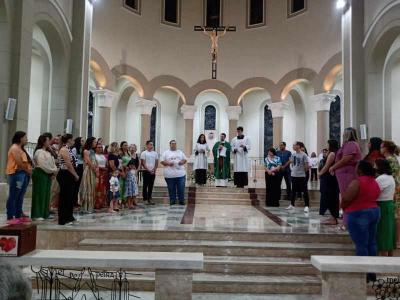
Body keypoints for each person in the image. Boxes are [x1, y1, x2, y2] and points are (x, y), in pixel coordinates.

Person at [341, 160, 380, 277]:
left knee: (361, 244)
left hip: (359, 213)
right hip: (374, 211)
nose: (355, 169)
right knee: (372, 243)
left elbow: (347, 198)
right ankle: (372, 273)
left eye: (357, 167)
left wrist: (342, 206)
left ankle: (363, 274)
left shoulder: (357, 182)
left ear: (360, 170)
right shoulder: (375, 182)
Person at [5, 131, 33, 225]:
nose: (27, 139)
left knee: (20, 195)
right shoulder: (14, 148)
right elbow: (19, 162)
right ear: (20, 138)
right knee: (14, 194)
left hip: (23, 173)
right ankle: (10, 216)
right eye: (25, 137)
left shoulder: (21, 149)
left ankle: (18, 214)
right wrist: (27, 170)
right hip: (17, 174)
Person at [31, 135, 58, 221]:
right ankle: (37, 214)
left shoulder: (47, 152)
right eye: (47, 140)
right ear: (43, 142)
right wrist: (52, 170)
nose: (49, 142)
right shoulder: (39, 152)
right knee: (40, 194)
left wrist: (54, 170)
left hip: (47, 174)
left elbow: (52, 162)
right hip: (40, 173)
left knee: (46, 194)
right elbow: (42, 164)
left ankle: (45, 213)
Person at [374, 158, 396, 256]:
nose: (374, 167)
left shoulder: (382, 178)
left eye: (375, 165)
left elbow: (374, 192)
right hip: (389, 205)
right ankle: (390, 257)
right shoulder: (390, 177)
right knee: (389, 233)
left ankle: (384, 259)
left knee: (382, 233)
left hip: (382, 205)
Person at [380, 140, 400, 246]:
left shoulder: (389, 160)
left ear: (386, 148)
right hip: (396, 188)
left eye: (381, 147)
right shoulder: (393, 158)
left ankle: (397, 240)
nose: (380, 149)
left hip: (394, 190)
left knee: (396, 216)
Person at [57, 134, 79, 225]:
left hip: (69, 174)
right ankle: (63, 218)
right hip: (65, 173)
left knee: (70, 196)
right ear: (69, 140)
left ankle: (69, 216)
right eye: (72, 139)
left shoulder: (69, 149)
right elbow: (68, 164)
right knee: (64, 196)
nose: (73, 141)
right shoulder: (64, 149)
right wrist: (75, 174)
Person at [318, 140, 340, 225]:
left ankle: (334, 218)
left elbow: (327, 166)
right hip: (327, 178)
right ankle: (332, 217)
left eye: (327, 144)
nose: (326, 145)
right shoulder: (330, 153)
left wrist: (320, 173)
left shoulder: (332, 154)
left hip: (329, 179)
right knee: (328, 197)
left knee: (330, 197)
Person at [161, 140, 187, 205]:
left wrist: (182, 162)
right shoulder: (166, 152)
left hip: (180, 174)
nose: (174, 145)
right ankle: (172, 200)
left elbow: (185, 159)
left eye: (175, 144)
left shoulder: (180, 152)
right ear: (170, 145)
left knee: (181, 188)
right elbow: (162, 161)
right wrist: (168, 163)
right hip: (169, 175)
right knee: (171, 188)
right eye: (172, 144)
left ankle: (181, 200)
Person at [287, 141, 310, 213]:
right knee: (293, 191)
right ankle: (292, 204)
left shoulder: (304, 155)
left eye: (294, 145)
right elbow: (292, 163)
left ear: (298, 146)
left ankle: (306, 206)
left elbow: (306, 166)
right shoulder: (293, 154)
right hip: (294, 175)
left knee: (304, 191)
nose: (293, 147)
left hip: (301, 176)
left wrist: (303, 172)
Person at [79, 137, 98, 214]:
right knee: (87, 188)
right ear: (90, 142)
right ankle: (85, 208)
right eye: (94, 142)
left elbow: (94, 160)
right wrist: (94, 168)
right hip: (88, 171)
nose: (95, 143)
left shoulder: (92, 151)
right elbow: (88, 161)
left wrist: (96, 168)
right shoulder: (86, 151)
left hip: (93, 171)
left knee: (92, 188)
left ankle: (90, 207)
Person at [141, 141, 158, 205]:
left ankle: (150, 198)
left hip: (153, 171)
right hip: (146, 171)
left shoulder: (155, 153)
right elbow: (143, 163)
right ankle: (145, 199)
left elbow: (156, 162)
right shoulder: (144, 153)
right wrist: (148, 170)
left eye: (152, 144)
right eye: (150, 144)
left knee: (151, 185)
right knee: (145, 185)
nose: (152, 146)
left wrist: (154, 169)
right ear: (147, 145)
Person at [71, 137, 84, 207]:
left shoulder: (82, 149)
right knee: (75, 185)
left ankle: (76, 201)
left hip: (82, 167)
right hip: (77, 167)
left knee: (78, 186)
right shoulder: (74, 149)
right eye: (82, 141)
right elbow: (73, 159)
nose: (83, 142)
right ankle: (73, 201)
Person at [95, 142, 108, 209]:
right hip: (98, 173)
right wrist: (102, 168)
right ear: (95, 148)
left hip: (104, 173)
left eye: (101, 147)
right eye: (98, 147)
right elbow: (95, 165)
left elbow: (106, 164)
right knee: (98, 188)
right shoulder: (94, 155)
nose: (100, 149)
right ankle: (97, 203)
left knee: (103, 188)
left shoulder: (103, 156)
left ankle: (102, 203)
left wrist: (106, 168)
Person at [119, 141, 131, 205]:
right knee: (121, 185)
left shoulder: (128, 153)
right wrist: (124, 167)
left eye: (127, 145)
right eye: (125, 145)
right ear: (122, 146)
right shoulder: (120, 153)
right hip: (122, 171)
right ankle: (120, 201)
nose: (126, 146)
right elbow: (120, 162)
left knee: (126, 186)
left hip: (128, 171)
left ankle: (125, 201)